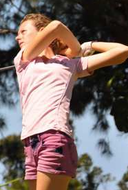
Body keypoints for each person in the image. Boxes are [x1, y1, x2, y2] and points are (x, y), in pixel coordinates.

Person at [14, 13, 128, 190]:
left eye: (23, 31)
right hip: (30, 143)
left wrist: (88, 45)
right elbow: (56, 29)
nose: (17, 36)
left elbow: (122, 52)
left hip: (54, 137)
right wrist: (75, 50)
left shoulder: (70, 65)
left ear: (41, 32)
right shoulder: (24, 60)